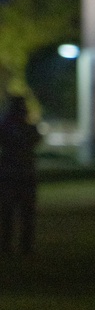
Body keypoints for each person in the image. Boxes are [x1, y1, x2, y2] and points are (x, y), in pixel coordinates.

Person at [0, 94, 40, 255]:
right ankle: (25, 245)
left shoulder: (6, 128)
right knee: (25, 213)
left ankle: (7, 245)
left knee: (8, 213)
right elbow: (36, 140)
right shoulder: (29, 128)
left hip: (10, 174)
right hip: (25, 174)